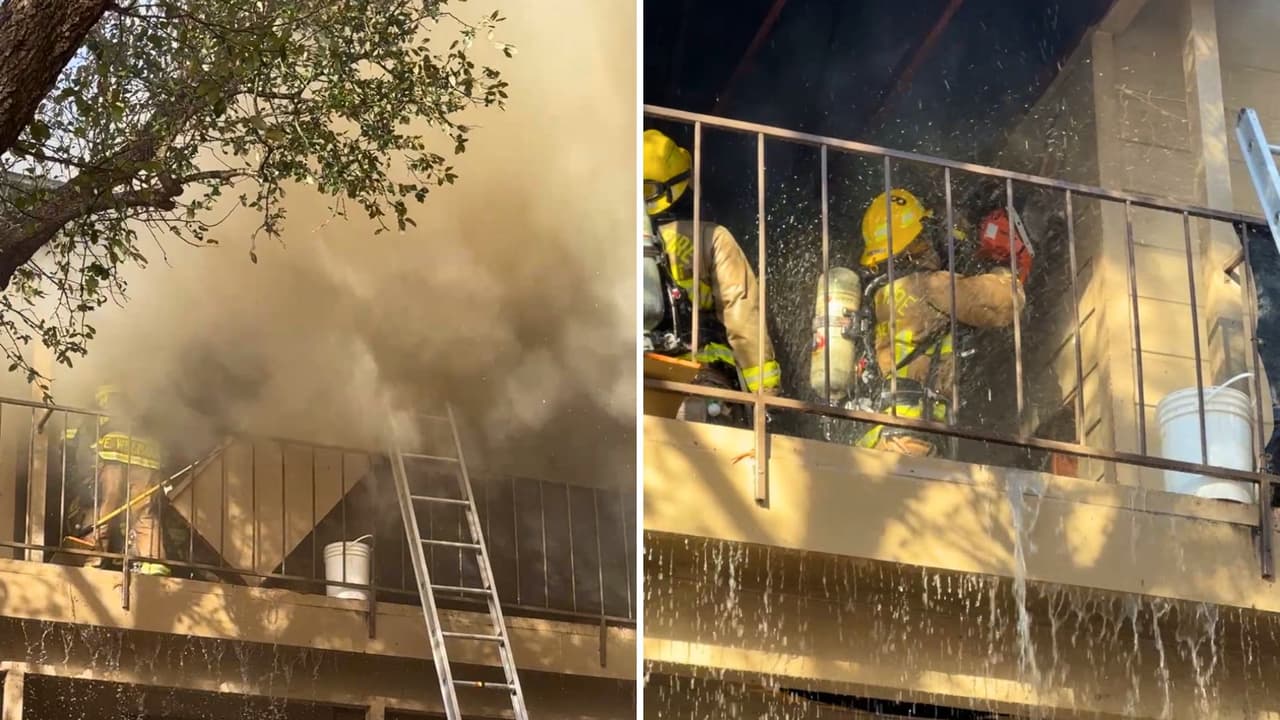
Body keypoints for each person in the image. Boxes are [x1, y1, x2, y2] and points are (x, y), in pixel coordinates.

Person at [835, 187, 1028, 457]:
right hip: (910, 440)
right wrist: (1006, 269)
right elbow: (1005, 304)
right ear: (916, 242)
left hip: (881, 438)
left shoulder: (879, 298)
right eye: (926, 234)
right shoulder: (927, 286)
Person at [642, 128, 781, 422]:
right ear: (681, 183)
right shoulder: (711, 237)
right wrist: (764, 393)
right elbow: (741, 310)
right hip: (701, 383)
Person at [65, 384, 170, 575]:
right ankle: (153, 560)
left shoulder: (95, 398)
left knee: (106, 505)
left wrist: (84, 474)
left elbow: (81, 442)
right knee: (144, 510)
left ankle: (94, 556)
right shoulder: (138, 395)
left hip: (113, 452)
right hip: (148, 456)